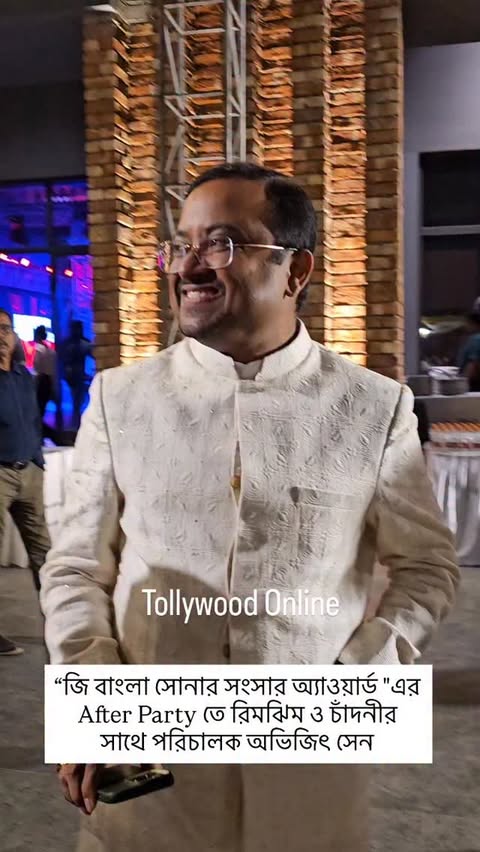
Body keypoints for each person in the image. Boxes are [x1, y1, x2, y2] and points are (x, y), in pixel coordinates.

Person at [40, 162, 459, 852]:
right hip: (151, 783)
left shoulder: (373, 408)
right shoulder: (122, 400)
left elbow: (427, 568)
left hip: (308, 780)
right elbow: (76, 568)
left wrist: (356, 684)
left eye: (221, 243)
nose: (189, 265)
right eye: (181, 244)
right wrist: (93, 701)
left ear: (295, 271)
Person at [0, 309, 50, 656]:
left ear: (15, 336)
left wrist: (37, 460)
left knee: (44, 553)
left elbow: (33, 421)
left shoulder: (22, 376)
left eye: (6, 329)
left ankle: (62, 624)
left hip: (29, 472)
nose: (1, 336)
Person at [59, 320, 93, 430]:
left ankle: (76, 424)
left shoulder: (68, 343)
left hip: (75, 376)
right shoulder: (81, 343)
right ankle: (76, 425)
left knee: (77, 402)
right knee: (77, 402)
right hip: (77, 376)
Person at [33, 325, 58, 444]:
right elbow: (52, 371)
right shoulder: (50, 351)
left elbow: (37, 368)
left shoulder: (39, 349)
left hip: (40, 382)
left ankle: (43, 435)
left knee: (37, 411)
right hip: (47, 382)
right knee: (41, 411)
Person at [458, 311, 480, 391]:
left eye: (467, 323)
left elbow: (472, 363)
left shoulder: (476, 339)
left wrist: (461, 384)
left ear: (473, 324)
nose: (466, 326)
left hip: (473, 384)